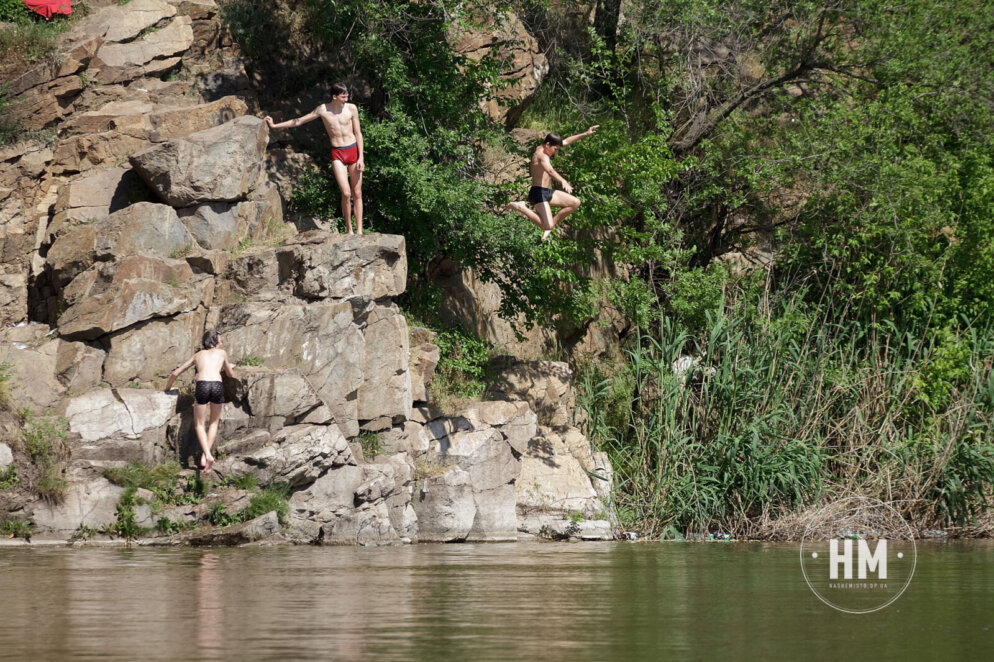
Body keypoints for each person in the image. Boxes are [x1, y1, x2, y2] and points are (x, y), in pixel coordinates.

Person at [265, 83, 366, 234]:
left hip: (353, 151)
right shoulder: (323, 110)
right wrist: (275, 126)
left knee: (357, 193)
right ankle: (349, 230)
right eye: (343, 97)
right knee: (346, 193)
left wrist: (361, 158)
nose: (346, 99)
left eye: (347, 96)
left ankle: (359, 231)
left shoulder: (352, 109)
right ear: (334, 96)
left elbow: (358, 133)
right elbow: (298, 121)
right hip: (337, 152)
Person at [507, 126, 599, 241]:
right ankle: (521, 207)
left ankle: (549, 226)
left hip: (546, 192)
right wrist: (563, 181)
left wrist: (585, 134)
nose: (556, 152)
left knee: (575, 203)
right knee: (547, 225)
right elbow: (550, 171)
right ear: (547, 144)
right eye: (555, 149)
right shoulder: (541, 155)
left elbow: (565, 141)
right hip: (538, 194)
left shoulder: (548, 147)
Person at [164, 330, 236, 474]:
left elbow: (175, 373)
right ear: (214, 342)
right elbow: (230, 374)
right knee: (214, 423)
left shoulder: (198, 355)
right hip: (216, 385)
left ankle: (207, 455)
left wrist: (167, 388)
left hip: (202, 385)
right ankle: (205, 456)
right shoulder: (222, 353)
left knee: (199, 424)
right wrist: (229, 367)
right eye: (220, 341)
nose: (221, 343)